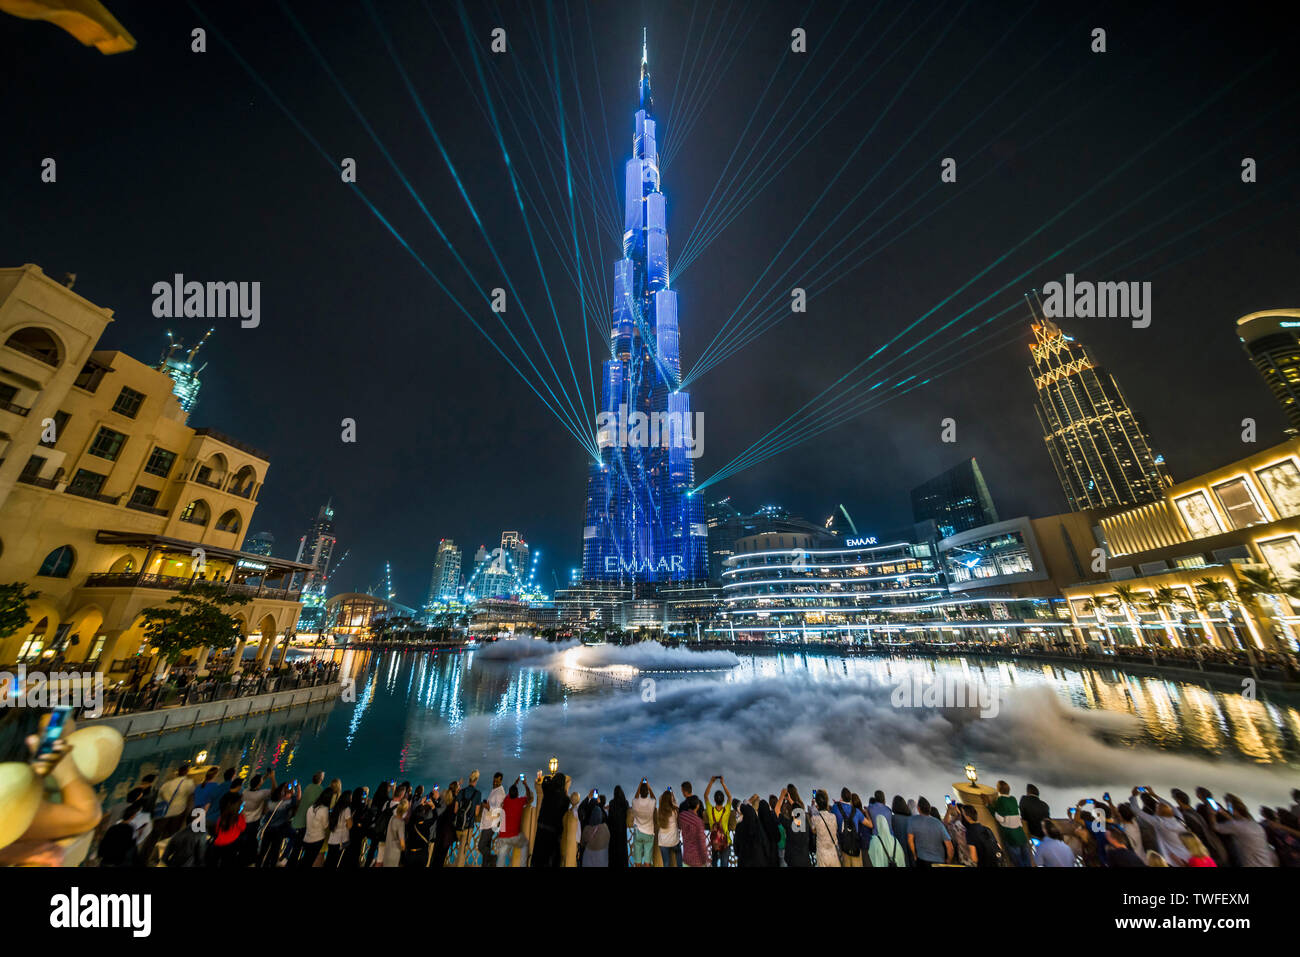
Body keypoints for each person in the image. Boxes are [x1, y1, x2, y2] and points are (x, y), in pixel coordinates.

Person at [1213, 795, 1277, 867]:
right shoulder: (1256, 826)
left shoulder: (1236, 826)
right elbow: (1239, 826)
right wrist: (1225, 814)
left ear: (1232, 809)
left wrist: (1211, 814)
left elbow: (1216, 827)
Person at [288, 771, 325, 865]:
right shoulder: (320, 790)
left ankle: (290, 862)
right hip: (307, 823)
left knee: (296, 847)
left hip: (298, 821)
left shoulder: (308, 787)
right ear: (321, 779)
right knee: (304, 848)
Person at [496, 776, 533, 867]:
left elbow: (511, 791)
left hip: (502, 836)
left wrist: (516, 782)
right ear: (517, 794)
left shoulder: (506, 800)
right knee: (525, 844)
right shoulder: (520, 801)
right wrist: (525, 785)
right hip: (514, 836)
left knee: (501, 860)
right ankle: (522, 865)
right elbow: (529, 797)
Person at [993, 780, 1031, 867]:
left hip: (1011, 836)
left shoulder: (1000, 800)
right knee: (1027, 861)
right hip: (1021, 835)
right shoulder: (1013, 799)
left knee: (1018, 862)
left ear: (998, 789)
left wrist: (991, 808)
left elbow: (1000, 819)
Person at [152, 761, 195, 839]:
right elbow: (191, 798)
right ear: (186, 771)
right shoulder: (189, 783)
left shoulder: (167, 784)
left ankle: (147, 851)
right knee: (169, 837)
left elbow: (159, 797)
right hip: (177, 813)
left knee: (154, 836)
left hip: (162, 813)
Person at [256, 783, 295, 867]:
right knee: (274, 851)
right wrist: (293, 792)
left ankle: (259, 864)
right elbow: (295, 800)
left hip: (267, 828)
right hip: (278, 830)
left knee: (263, 850)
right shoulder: (286, 803)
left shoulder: (271, 801)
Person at [906, 797, 952, 866]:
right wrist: (949, 860)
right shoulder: (938, 823)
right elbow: (949, 846)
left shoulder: (913, 820)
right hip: (938, 860)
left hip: (921, 858)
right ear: (929, 809)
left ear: (918, 809)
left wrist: (914, 855)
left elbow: (910, 840)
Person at [209, 791, 247, 868]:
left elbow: (217, 831)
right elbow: (243, 829)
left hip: (217, 846)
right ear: (237, 808)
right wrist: (242, 815)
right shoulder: (239, 818)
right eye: (241, 805)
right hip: (231, 847)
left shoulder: (221, 818)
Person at [776, 785, 810, 868]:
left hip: (793, 860)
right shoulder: (804, 823)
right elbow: (798, 810)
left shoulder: (790, 824)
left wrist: (781, 796)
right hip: (805, 859)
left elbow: (776, 811)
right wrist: (791, 800)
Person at [454, 770, 483, 866]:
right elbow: (477, 812)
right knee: (462, 852)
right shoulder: (478, 794)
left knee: (458, 850)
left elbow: (455, 810)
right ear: (476, 780)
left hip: (458, 826)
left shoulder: (461, 791)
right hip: (468, 827)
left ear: (469, 780)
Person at [298, 789, 333, 868]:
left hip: (307, 838)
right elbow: (325, 826)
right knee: (310, 860)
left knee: (306, 859)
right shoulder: (324, 810)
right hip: (317, 840)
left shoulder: (311, 807)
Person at [323, 785, 354, 868]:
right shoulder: (346, 809)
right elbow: (350, 825)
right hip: (341, 840)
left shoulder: (336, 807)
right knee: (337, 862)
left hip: (332, 839)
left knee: (329, 861)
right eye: (351, 797)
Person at [705, 775, 733, 867]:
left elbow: (705, 796)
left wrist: (711, 782)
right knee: (724, 864)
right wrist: (722, 783)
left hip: (715, 843)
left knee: (714, 864)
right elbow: (730, 797)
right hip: (726, 842)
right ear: (723, 800)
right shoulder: (727, 810)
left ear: (714, 800)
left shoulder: (710, 810)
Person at [679, 785, 710, 867]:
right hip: (697, 859)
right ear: (697, 806)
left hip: (686, 856)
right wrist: (706, 860)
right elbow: (702, 843)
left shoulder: (682, 816)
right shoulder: (699, 822)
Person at [630, 778, 657, 867]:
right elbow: (654, 798)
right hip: (649, 833)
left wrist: (640, 785)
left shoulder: (635, 802)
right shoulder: (652, 802)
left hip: (638, 833)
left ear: (640, 792)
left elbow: (635, 797)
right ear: (648, 792)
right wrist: (648, 786)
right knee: (647, 862)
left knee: (637, 861)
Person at [809, 790, 840, 867]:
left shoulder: (815, 819)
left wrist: (813, 807)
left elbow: (813, 831)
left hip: (822, 854)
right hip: (834, 854)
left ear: (817, 804)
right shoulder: (833, 817)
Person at [832, 787, 864, 862]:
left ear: (841, 797)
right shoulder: (857, 811)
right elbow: (870, 825)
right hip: (855, 847)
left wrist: (838, 803)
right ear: (850, 799)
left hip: (843, 846)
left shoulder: (835, 808)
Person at [404, 792, 435, 867]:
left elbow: (414, 814)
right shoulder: (426, 824)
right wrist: (433, 806)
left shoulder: (410, 824)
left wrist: (420, 804)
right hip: (421, 855)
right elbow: (435, 817)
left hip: (410, 854)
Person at [656, 787, 681, 867]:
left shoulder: (659, 811)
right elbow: (675, 804)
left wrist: (664, 796)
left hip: (663, 842)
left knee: (666, 863)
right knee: (678, 857)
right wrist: (671, 794)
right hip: (674, 841)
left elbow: (660, 801)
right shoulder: (674, 811)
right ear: (671, 799)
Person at [607, 784, 630, 868]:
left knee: (613, 854)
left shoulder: (611, 803)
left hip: (613, 832)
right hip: (622, 831)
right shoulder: (625, 803)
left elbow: (610, 817)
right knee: (622, 853)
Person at [382, 798, 408, 868]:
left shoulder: (392, 818)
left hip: (387, 850)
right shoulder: (401, 822)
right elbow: (402, 843)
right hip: (394, 853)